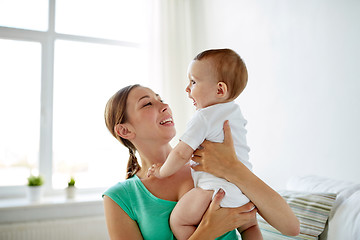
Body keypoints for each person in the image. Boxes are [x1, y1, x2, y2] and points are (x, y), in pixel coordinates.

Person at [103, 84, 300, 239]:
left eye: (161, 99)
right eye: (147, 104)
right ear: (125, 130)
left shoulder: (210, 166)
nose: (164, 106)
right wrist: (207, 231)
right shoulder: (119, 198)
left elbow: (290, 226)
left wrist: (233, 168)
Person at [146, 49, 261, 240]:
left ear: (220, 90)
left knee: (178, 221)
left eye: (193, 81)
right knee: (249, 228)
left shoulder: (203, 117)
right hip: (244, 190)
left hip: (214, 191)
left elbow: (181, 153)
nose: (187, 88)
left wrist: (161, 172)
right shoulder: (235, 112)